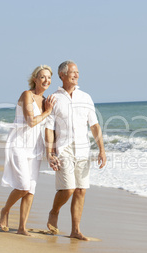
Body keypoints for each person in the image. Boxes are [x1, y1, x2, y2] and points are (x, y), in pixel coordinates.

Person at [45, 60, 106, 241]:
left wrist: (101, 149)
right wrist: (50, 152)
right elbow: (49, 128)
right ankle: (54, 211)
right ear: (62, 75)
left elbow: (94, 125)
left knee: (81, 190)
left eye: (78, 72)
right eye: (73, 72)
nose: (77, 75)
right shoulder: (53, 98)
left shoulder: (85, 97)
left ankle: (75, 230)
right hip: (63, 148)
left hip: (83, 149)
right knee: (68, 188)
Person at [0, 65, 56, 236]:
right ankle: (5, 210)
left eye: (49, 77)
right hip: (19, 145)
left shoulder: (46, 99)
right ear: (35, 79)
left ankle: (22, 227)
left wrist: (50, 152)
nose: (46, 80)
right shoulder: (27, 95)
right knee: (23, 186)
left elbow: (47, 129)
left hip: (35, 148)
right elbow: (31, 121)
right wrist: (48, 111)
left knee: (30, 189)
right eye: (43, 77)